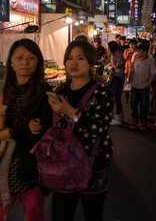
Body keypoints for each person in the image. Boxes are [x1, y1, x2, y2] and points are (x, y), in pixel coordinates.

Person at [0, 39, 52, 221]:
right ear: (11, 61)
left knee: (34, 214)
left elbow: (41, 132)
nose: (25, 62)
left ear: (38, 62)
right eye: (19, 57)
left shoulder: (44, 93)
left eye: (31, 58)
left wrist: (9, 133)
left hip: (29, 169)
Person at [47, 40, 113, 221]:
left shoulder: (102, 91)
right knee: (60, 214)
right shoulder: (60, 91)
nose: (73, 63)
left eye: (80, 58)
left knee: (93, 214)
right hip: (64, 162)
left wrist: (69, 111)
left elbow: (99, 127)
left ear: (90, 62)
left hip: (93, 161)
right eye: (69, 58)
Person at [128, 43, 156, 130]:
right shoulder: (135, 61)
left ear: (146, 52)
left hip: (144, 87)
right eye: (140, 51)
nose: (141, 53)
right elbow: (132, 71)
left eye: (143, 51)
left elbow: (153, 73)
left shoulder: (149, 62)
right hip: (135, 86)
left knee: (144, 105)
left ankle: (143, 122)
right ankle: (134, 120)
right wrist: (131, 81)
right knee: (133, 104)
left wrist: (149, 83)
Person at [106, 40, 125, 126]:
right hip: (114, 77)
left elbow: (120, 64)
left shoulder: (117, 54)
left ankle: (118, 117)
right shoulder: (114, 54)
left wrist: (111, 68)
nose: (107, 49)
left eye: (108, 47)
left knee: (117, 98)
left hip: (117, 78)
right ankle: (119, 115)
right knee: (116, 98)